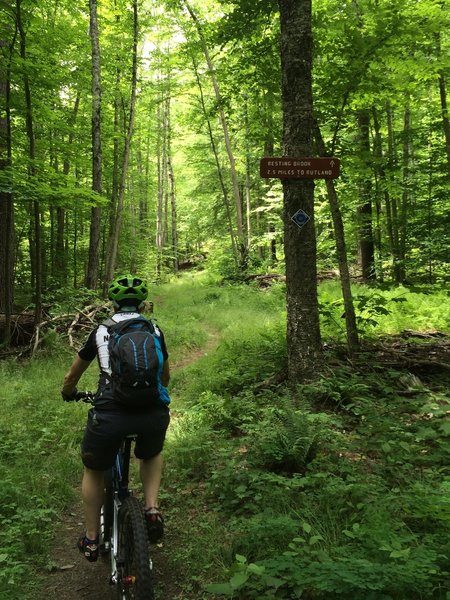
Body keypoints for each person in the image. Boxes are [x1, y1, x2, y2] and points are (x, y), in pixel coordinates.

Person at [61, 274, 170, 563]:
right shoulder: (154, 330)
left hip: (110, 414)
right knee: (152, 453)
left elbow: (73, 374)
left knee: (94, 470)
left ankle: (91, 539)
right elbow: (165, 377)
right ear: (143, 305)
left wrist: (68, 392)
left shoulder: (101, 331)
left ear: (113, 303)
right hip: (151, 413)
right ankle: (150, 509)